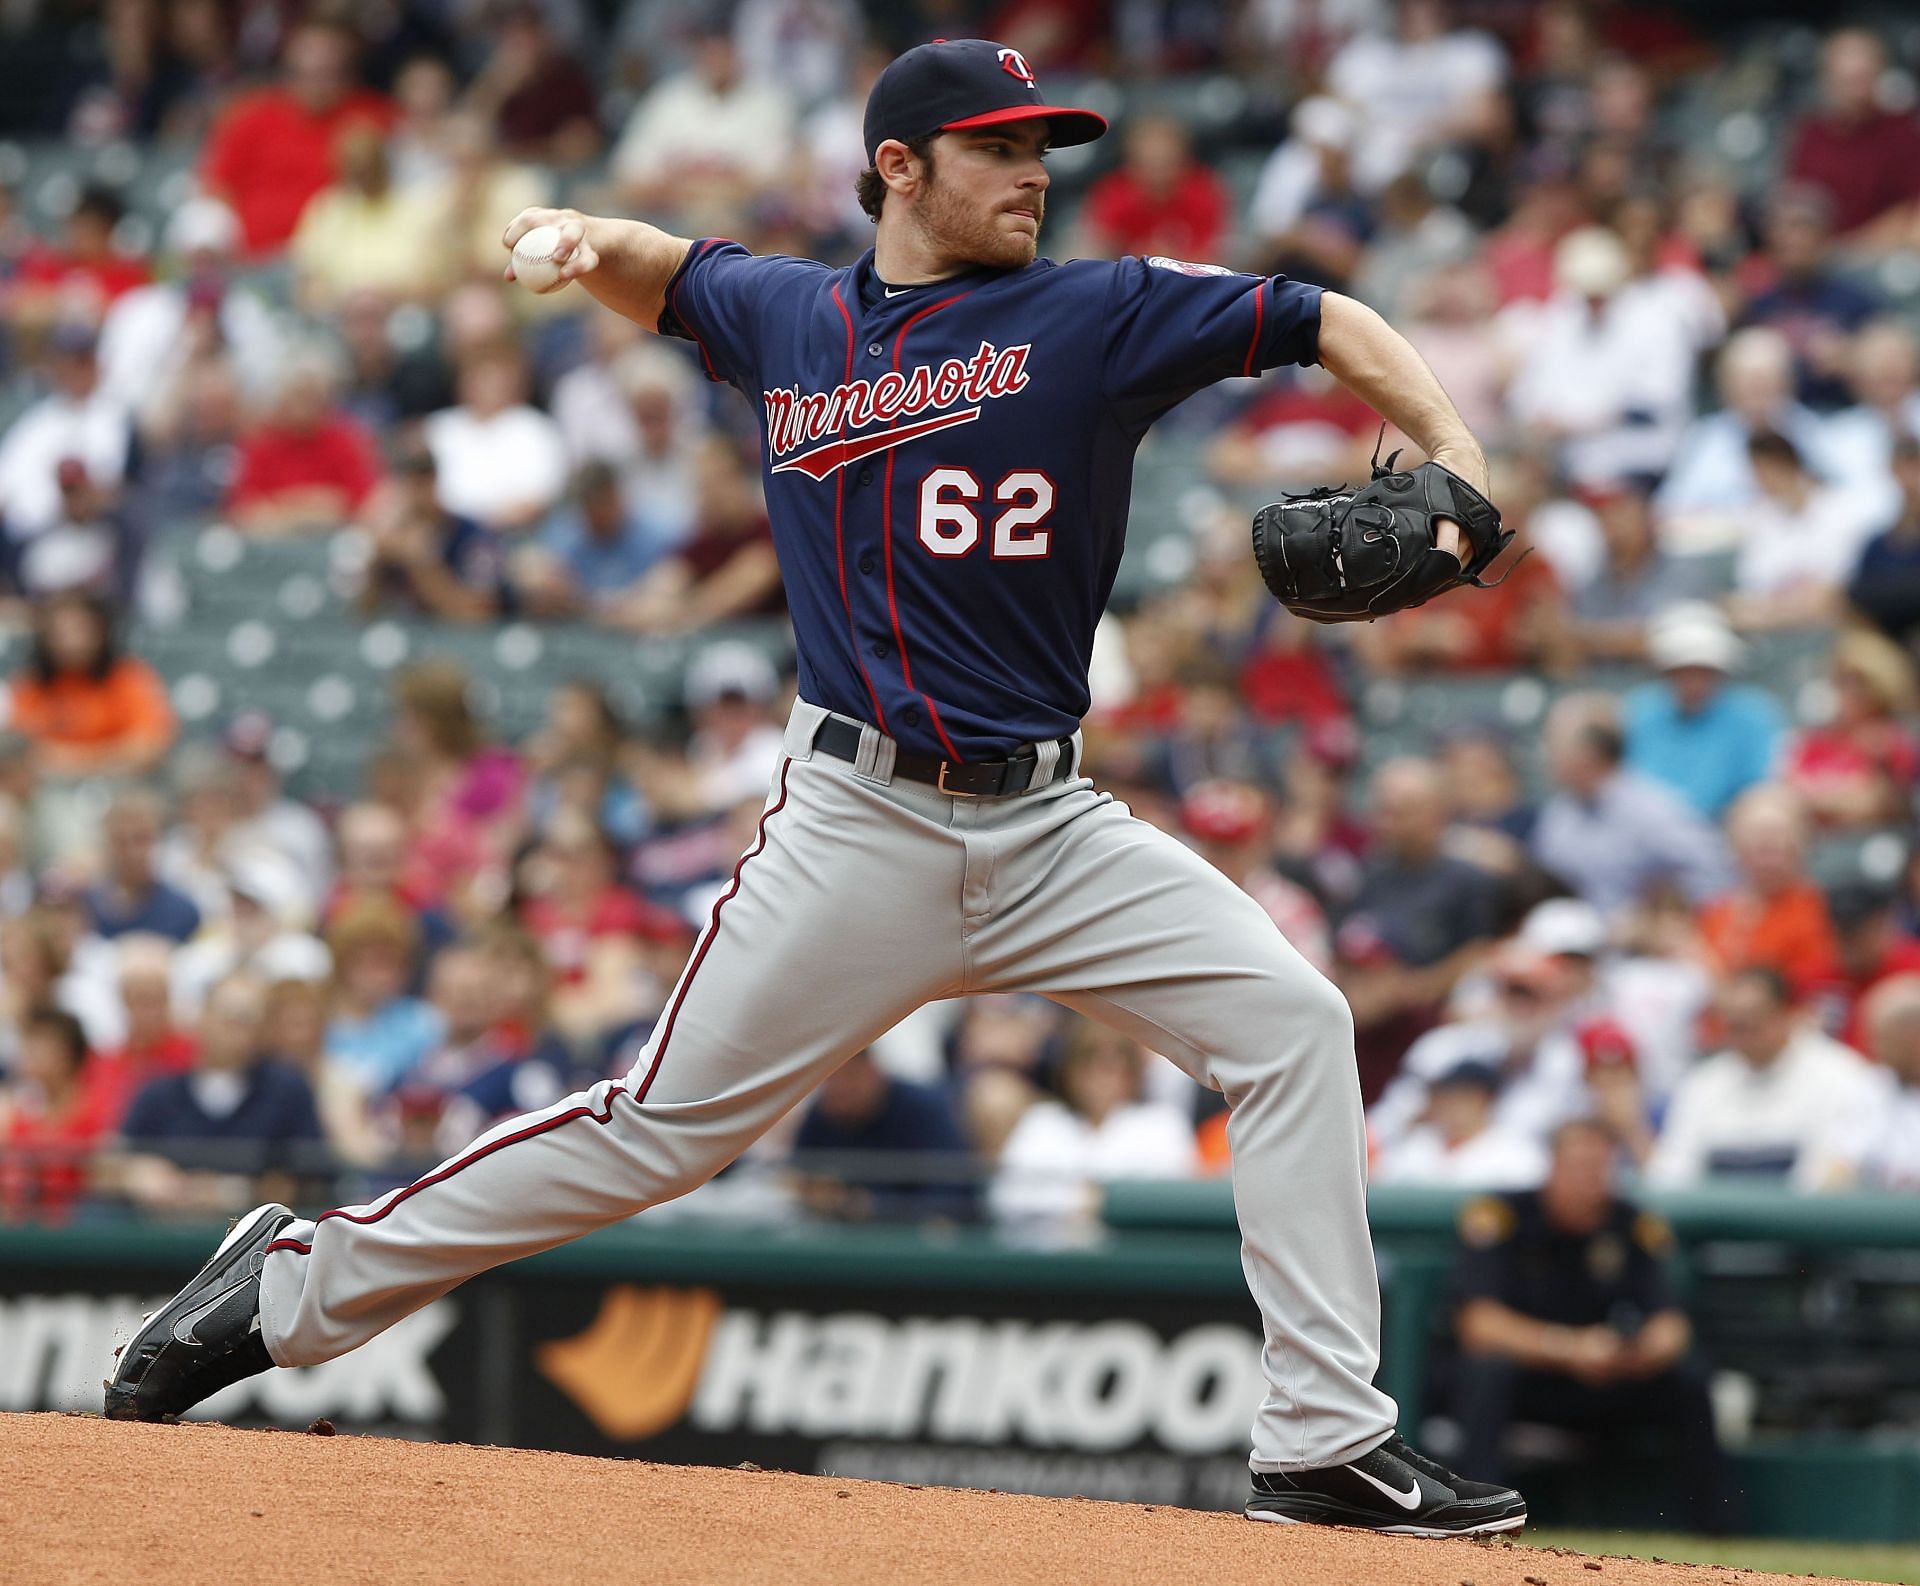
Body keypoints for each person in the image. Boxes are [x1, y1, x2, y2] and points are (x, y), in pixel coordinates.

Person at [110, 37, 1527, 1539]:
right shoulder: (792, 311)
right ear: (899, 169)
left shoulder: (1095, 313)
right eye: (997, 146)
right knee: (656, 1127)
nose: (1034, 170)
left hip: (1053, 824)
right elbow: (668, 268)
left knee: (1294, 1025)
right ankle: (289, 1285)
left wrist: (1458, 456)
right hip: (862, 820)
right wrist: (582, 238)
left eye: (1042, 145)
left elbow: (1325, 317)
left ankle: (1322, 1437)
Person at [1447, 1119, 1736, 1533]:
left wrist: (1638, 1352)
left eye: (1600, 1168)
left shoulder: (1631, 1223)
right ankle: (1481, 1517)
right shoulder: (1503, 1217)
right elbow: (1479, 1326)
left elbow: (1672, 1326)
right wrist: (1569, 1348)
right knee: (1486, 1372)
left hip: (1607, 1377)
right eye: (1578, 1167)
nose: (1589, 1181)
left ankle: (1716, 1530)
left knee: (1690, 1379)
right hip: (1534, 1379)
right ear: (1553, 1167)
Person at [1647, 968, 1882, 1188]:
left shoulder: (1841, 1076)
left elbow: (1827, 1177)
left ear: (1786, 1016)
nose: (1741, 1037)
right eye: (1733, 1026)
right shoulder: (1703, 1082)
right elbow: (1672, 1172)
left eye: (1751, 1024)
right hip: (1714, 1226)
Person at [114, 972, 324, 1211]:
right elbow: (107, 1165)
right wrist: (137, 1175)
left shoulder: (287, 1092)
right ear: (202, 1018)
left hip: (259, 1239)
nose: (238, 1030)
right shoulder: (158, 1092)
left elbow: (312, 1177)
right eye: (229, 1016)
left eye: (250, 1019)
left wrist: (242, 1192)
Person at [1531, 692, 1732, 916]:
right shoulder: (1559, 815)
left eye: (1553, 741)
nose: (1545, 753)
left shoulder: (1652, 811)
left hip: (1641, 948)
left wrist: (1669, 917)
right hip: (1574, 941)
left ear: (1591, 750)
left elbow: (1715, 874)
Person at [1622, 604, 1784, 820]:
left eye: (1703, 672)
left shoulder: (1753, 715)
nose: (1693, 683)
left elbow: (1760, 786)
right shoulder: (1637, 711)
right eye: (1683, 672)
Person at [791, 1045, 977, 1222]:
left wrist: (875, 1207)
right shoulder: (822, 1114)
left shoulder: (921, 1109)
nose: (840, 1087)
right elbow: (799, 1179)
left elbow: (954, 1195)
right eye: (830, 1079)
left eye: (850, 1076)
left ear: (872, 1070)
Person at [85, 788, 202, 943]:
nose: (132, 852)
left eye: (141, 839)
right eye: (121, 841)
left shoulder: (183, 912)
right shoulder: (85, 909)